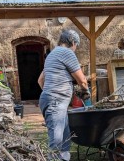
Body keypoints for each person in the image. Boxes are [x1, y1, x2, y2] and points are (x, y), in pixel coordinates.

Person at [37, 29, 90, 161]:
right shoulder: (67, 52)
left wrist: (49, 93)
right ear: (72, 42)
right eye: (76, 46)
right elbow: (82, 80)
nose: (75, 49)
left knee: (65, 136)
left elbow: (40, 80)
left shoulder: (51, 55)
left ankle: (64, 159)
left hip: (51, 100)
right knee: (57, 139)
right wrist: (85, 92)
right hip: (56, 102)